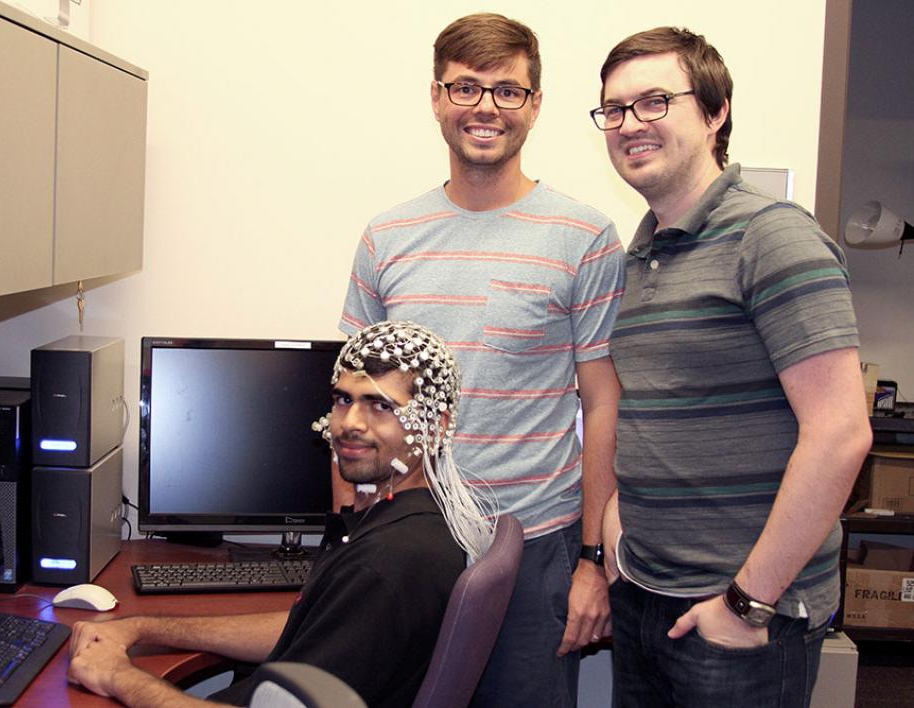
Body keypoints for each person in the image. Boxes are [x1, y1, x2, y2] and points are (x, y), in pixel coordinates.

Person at [338, 13, 625, 707]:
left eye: (507, 91)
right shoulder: (387, 237)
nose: (486, 108)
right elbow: (354, 402)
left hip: (533, 546)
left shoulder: (582, 237)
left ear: (534, 106)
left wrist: (591, 561)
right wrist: (347, 534)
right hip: (407, 540)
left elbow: (603, 402)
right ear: (437, 98)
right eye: (466, 88)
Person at [592, 26, 873, 706]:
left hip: (741, 618)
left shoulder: (770, 236)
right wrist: (616, 541)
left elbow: (839, 434)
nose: (630, 123)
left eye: (655, 101)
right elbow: (652, 410)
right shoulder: (638, 256)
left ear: (715, 112)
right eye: (614, 109)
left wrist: (746, 603)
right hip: (643, 601)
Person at [67, 320, 495, 708]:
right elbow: (308, 629)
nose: (349, 423)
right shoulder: (404, 521)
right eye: (343, 400)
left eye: (381, 405)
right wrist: (143, 628)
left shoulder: (388, 563)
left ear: (435, 427)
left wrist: (117, 675)